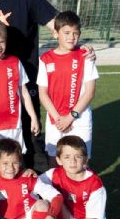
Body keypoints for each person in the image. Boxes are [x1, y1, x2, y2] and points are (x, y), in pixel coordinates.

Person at [0, 0, 94, 170]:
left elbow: (57, 25)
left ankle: (31, 175)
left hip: (26, 72)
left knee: (29, 127)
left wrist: (78, 44)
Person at [37, 11, 98, 167]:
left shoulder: (85, 55)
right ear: (55, 34)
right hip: (55, 119)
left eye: (75, 33)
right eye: (67, 33)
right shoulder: (45, 59)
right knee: (54, 161)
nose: (71, 37)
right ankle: (56, 191)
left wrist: (70, 117)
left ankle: (82, 191)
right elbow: (43, 94)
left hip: (79, 118)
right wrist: (59, 119)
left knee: (81, 162)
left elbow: (89, 92)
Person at [0, 19, 40, 171]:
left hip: (13, 124)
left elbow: (23, 91)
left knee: (14, 162)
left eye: (2, 42)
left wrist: (33, 117)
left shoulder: (14, 62)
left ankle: (18, 193)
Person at [40, 135, 112, 219]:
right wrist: (28, 173)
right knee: (53, 198)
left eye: (77, 156)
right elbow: (34, 183)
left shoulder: (95, 184)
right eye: (67, 157)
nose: (72, 161)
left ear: (85, 159)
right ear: (59, 160)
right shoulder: (54, 173)